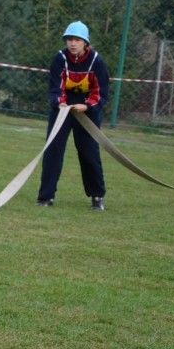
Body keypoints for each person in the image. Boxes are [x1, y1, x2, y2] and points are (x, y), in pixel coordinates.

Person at [36, 21, 110, 211]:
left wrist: (87, 105)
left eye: (77, 40)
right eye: (69, 39)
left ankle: (97, 196)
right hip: (62, 110)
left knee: (89, 152)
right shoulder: (59, 58)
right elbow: (55, 87)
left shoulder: (97, 61)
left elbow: (100, 92)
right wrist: (60, 102)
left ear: (85, 42)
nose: (72, 43)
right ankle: (46, 197)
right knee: (53, 150)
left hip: (87, 111)